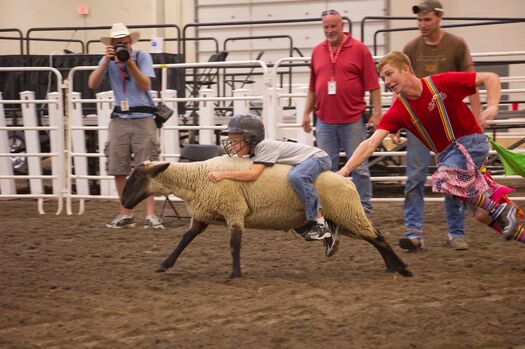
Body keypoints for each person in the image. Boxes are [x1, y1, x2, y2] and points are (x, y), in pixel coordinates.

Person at [338, 51, 525, 245]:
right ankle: (501, 214)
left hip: (471, 143)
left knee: (443, 179)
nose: (387, 81)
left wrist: (493, 106)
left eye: (389, 73)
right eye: (384, 77)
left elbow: (491, 78)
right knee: (481, 214)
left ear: (405, 69)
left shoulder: (441, 83)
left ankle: (499, 209)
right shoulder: (399, 110)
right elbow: (370, 143)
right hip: (450, 157)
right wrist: (345, 170)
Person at [395, 0, 482, 251]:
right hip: (421, 127)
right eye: (419, 20)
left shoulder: (456, 45)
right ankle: (413, 233)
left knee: (453, 178)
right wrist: (399, 121)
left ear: (439, 17)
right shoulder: (411, 49)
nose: (422, 25)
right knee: (415, 176)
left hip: (452, 127)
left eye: (427, 20)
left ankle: (455, 232)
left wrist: (476, 118)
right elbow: (400, 86)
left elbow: (471, 81)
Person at [208, 113, 338, 257]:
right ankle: (324, 231)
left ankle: (321, 223)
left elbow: (253, 175)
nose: (232, 146)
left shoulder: (264, 147)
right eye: (230, 141)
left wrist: (223, 174)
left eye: (235, 141)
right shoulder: (255, 151)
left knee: (297, 176)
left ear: (251, 138)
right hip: (306, 161)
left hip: (318, 157)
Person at [302, 8, 381, 213]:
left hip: (352, 118)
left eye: (333, 26)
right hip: (324, 120)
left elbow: (373, 85)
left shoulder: (359, 49)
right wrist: (305, 113)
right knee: (326, 167)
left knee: (360, 167)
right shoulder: (318, 51)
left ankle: (364, 208)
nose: (329, 30)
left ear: (342, 26)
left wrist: (377, 112)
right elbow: (313, 86)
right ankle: (331, 208)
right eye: (326, 27)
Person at [88, 23, 164, 229]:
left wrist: (129, 62)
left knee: (147, 167)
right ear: (111, 44)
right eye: (118, 43)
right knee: (118, 167)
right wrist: (105, 60)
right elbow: (92, 84)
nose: (123, 46)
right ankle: (126, 213)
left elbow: (145, 85)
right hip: (119, 118)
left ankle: (151, 215)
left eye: (125, 43)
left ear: (131, 42)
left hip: (143, 117)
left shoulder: (142, 57)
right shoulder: (108, 60)